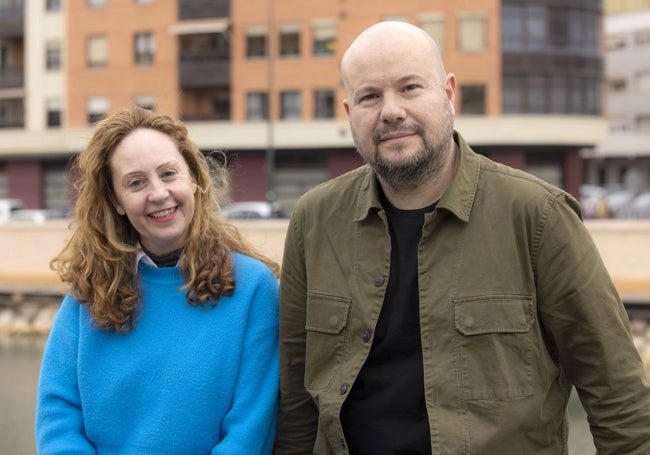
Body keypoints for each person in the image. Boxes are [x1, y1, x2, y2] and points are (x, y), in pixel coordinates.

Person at [274, 21, 650, 454]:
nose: (391, 110)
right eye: (369, 96)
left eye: (410, 88)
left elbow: (617, 395)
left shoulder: (538, 216)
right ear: (348, 112)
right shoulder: (313, 220)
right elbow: (297, 402)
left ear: (448, 93)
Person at [35, 106, 280, 454]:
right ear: (116, 201)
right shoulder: (86, 296)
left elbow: (250, 430)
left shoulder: (254, 289)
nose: (158, 193)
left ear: (194, 178)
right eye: (136, 183)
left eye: (168, 173)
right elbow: (57, 419)